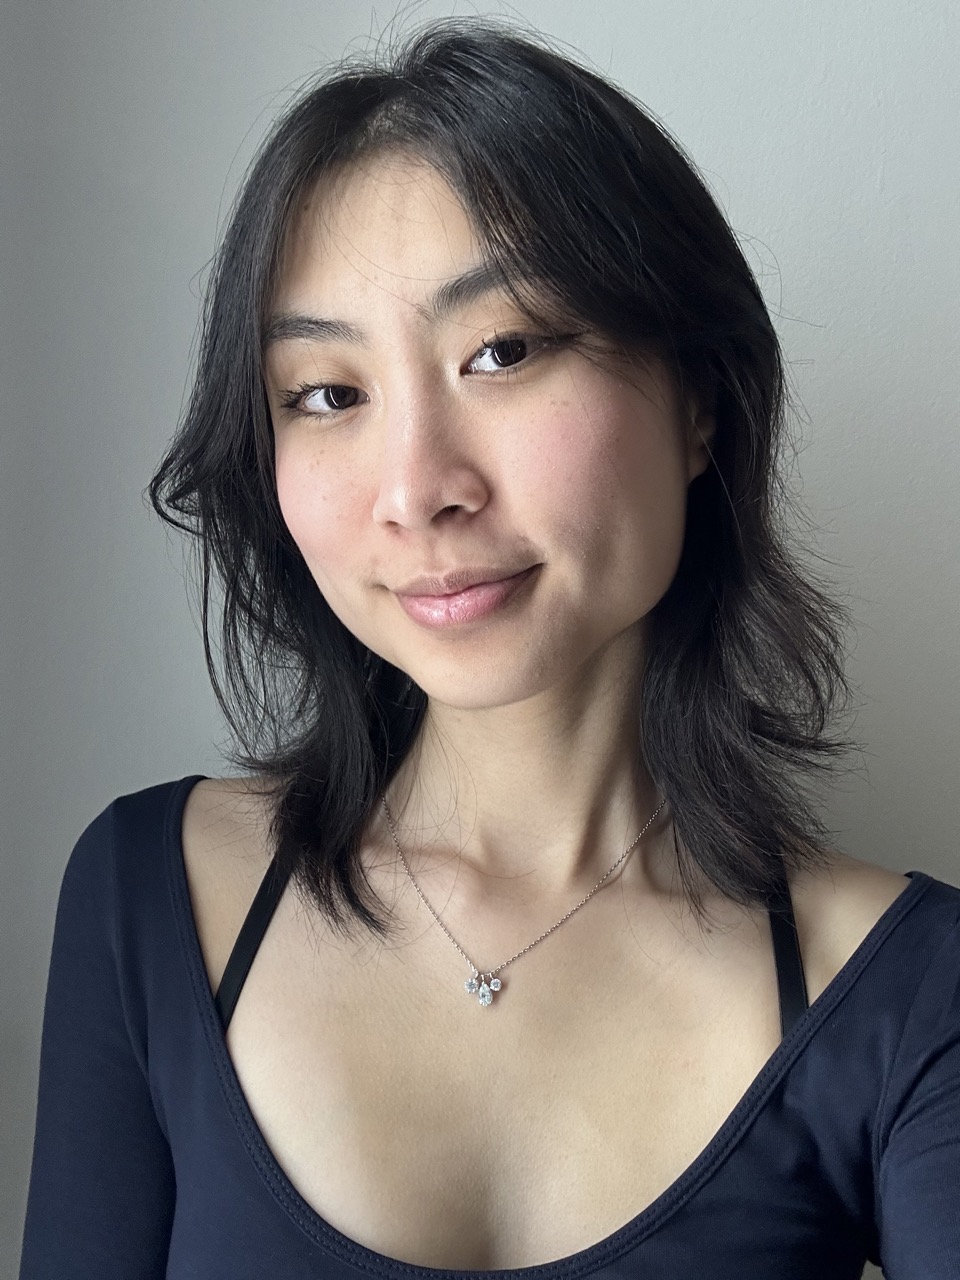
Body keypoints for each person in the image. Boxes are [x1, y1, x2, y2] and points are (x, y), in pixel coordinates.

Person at [19, 19, 960, 1280]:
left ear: (698, 401)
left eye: (501, 351)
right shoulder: (153, 897)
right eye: (329, 392)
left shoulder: (906, 988)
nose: (417, 491)